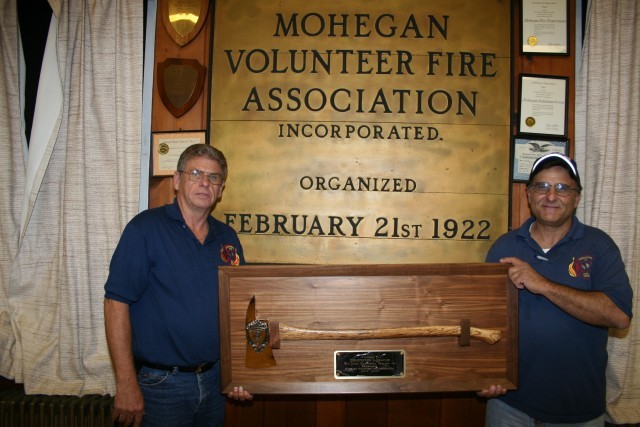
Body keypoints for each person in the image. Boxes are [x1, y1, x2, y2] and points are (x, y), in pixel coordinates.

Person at [479, 153, 633, 426]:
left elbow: (619, 316)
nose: (551, 196)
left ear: (576, 197)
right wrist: (486, 373)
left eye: (563, 188)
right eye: (542, 186)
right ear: (528, 195)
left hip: (578, 411)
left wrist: (543, 285)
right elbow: (484, 318)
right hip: (509, 406)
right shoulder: (505, 246)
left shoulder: (599, 246)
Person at [104, 144, 252, 427]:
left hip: (215, 382)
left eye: (214, 177)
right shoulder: (144, 229)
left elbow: (239, 310)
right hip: (161, 386)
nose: (204, 182)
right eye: (195, 173)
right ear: (176, 180)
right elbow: (115, 303)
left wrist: (240, 372)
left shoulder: (227, 238)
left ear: (221, 189)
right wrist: (125, 383)